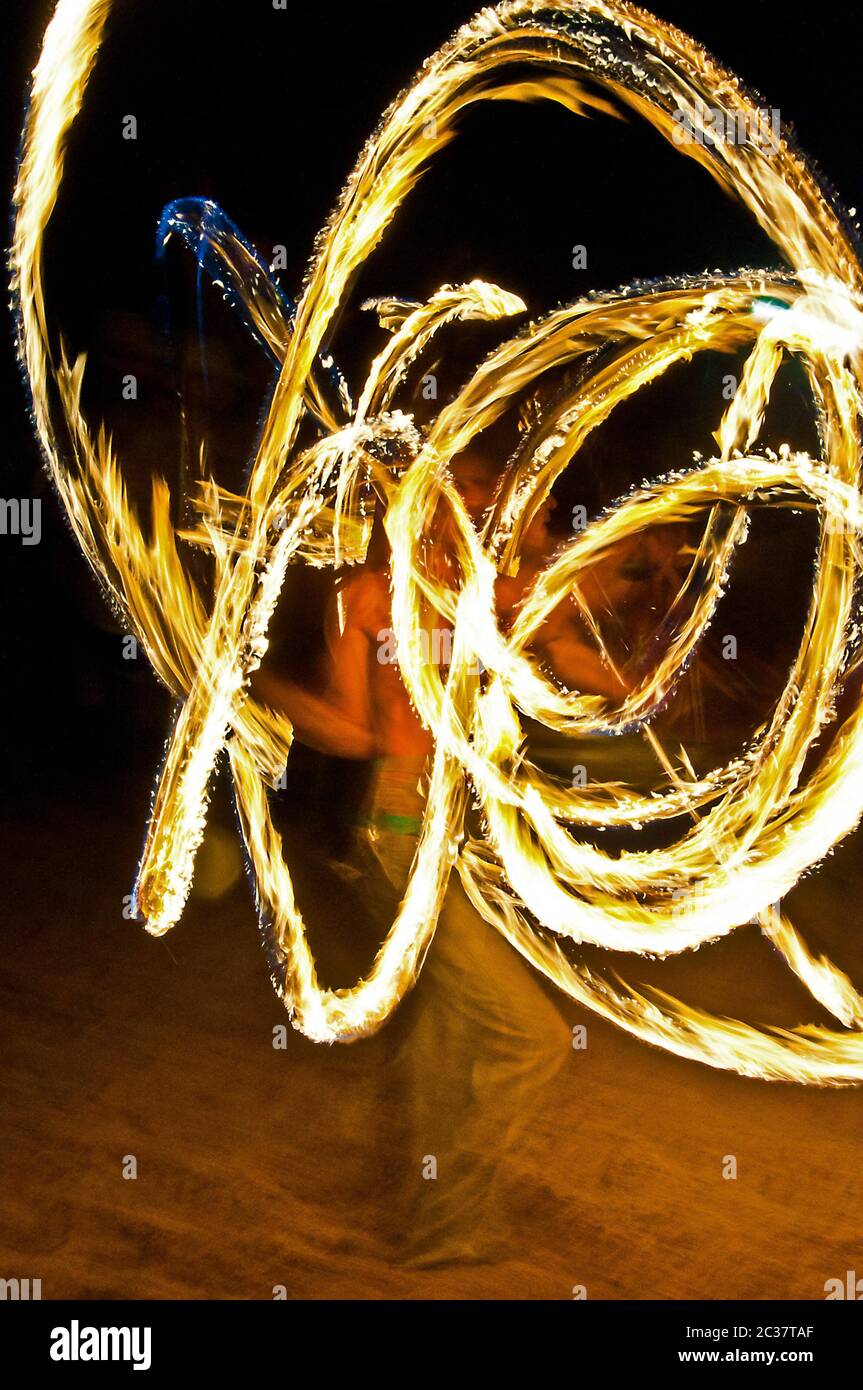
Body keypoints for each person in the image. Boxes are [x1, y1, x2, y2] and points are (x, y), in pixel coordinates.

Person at [253, 448, 645, 1265]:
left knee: (440, 1034)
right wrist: (249, 685)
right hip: (398, 837)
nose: (509, 516)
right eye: (486, 498)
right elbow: (353, 730)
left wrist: (638, 686)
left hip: (451, 836)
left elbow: (569, 638)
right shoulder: (363, 597)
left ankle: (425, 1211)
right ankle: (450, 1224)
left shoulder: (482, 598)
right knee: (527, 1038)